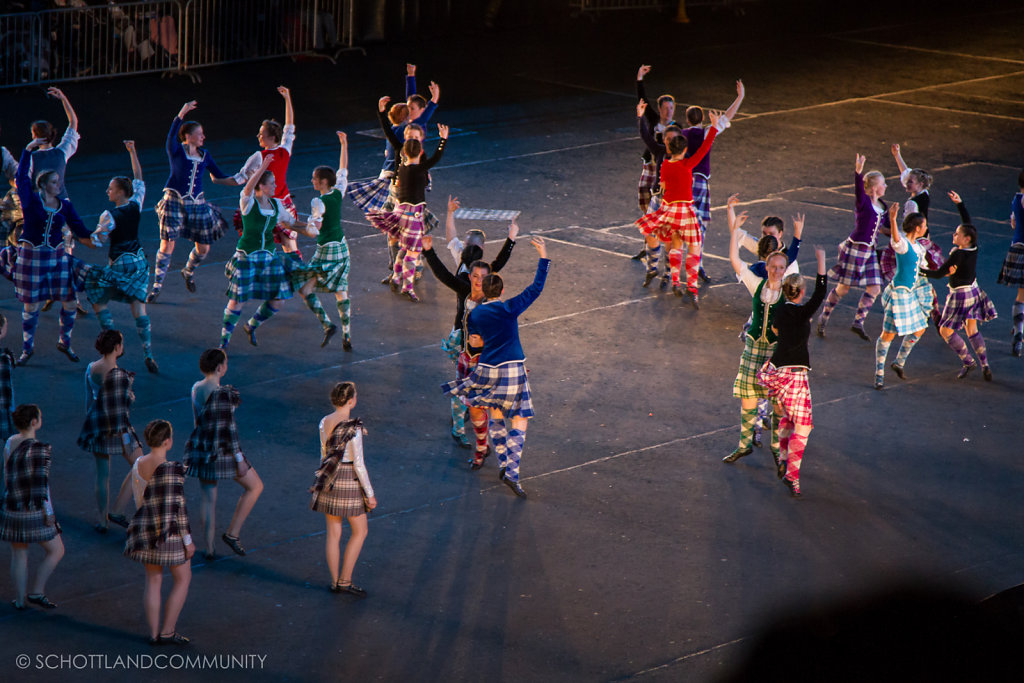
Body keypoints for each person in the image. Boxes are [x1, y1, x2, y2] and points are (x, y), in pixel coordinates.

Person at [443, 237, 550, 498]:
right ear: (501, 291)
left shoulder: (475, 314)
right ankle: (511, 470)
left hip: (488, 370)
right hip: (512, 367)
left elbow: (475, 342)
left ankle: (502, 462)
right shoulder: (510, 308)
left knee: (496, 415)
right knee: (520, 419)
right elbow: (536, 289)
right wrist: (543, 256)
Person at [422, 196, 517, 455]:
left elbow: (498, 263)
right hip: (464, 343)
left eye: (481, 277)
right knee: (463, 386)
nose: (478, 280)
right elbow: (443, 274)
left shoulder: (478, 274)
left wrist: (511, 238)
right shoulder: (465, 282)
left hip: (481, 347)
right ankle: (459, 427)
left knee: (478, 389)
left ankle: (473, 422)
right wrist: (429, 252)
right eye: (475, 277)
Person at [0, 143, 93, 365]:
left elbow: (80, 230)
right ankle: (27, 348)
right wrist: (27, 152)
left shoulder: (65, 207)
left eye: (58, 182)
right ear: (42, 185)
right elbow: (22, 178)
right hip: (32, 260)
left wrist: (98, 236)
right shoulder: (31, 200)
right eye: (54, 182)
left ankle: (65, 342)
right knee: (31, 306)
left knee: (69, 302)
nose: (58, 185)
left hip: (56, 260)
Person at [634, 108, 729, 308]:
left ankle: (675, 280)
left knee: (674, 243)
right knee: (693, 248)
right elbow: (704, 148)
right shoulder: (688, 165)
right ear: (684, 150)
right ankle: (691, 286)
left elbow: (665, 187)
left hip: (669, 210)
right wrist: (713, 127)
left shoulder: (666, 165)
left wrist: (640, 116)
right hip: (685, 211)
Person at [756, 247, 828, 498]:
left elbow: (775, 331)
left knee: (788, 417)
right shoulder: (801, 312)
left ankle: (783, 457)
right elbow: (821, 293)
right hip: (795, 375)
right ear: (800, 292)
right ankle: (792, 474)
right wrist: (821, 262)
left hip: (776, 372)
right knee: (804, 426)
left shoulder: (781, 311)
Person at [82, 140, 158, 373]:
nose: (108, 191)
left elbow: (96, 242)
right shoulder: (136, 203)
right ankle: (148, 351)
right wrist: (133, 151)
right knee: (139, 308)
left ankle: (112, 342)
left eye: (111, 189)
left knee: (95, 291)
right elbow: (139, 180)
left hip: (120, 265)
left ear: (120, 192)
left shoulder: (110, 215)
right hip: (139, 263)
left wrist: (77, 234)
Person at [149, 101, 234, 302]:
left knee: (204, 248)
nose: (203, 136)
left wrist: (244, 178)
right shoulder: (177, 151)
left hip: (197, 204)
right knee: (167, 244)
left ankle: (188, 270)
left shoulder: (205, 156)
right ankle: (156, 286)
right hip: (175, 201)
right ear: (188, 136)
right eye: (199, 133)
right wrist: (182, 112)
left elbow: (220, 176)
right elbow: (171, 135)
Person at [221, 154, 310, 349]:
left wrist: (311, 229)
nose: (275, 186)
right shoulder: (248, 203)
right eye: (271, 183)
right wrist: (264, 167)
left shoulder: (277, 205)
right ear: (261, 186)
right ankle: (224, 344)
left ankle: (251, 326)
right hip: (247, 257)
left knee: (278, 300)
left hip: (269, 258)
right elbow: (247, 188)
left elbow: (293, 223)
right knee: (236, 302)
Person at [722, 214, 789, 465]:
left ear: (785, 270)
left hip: (776, 354)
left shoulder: (789, 291)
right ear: (767, 265)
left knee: (778, 406)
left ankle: (776, 450)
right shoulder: (756, 283)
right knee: (748, 400)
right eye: (773, 266)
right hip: (753, 350)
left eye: (781, 267)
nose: (776, 271)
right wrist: (734, 231)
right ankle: (743, 445)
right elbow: (734, 259)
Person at [184, 349, 263, 560]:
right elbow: (230, 428)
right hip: (223, 450)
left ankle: (209, 548)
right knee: (255, 486)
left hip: (202, 448)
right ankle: (232, 533)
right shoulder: (223, 394)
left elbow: (196, 422)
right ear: (220, 368)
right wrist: (239, 459)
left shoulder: (196, 389)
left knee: (208, 499)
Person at [125, 419, 194, 645]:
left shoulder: (137, 465)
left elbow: (137, 498)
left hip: (144, 531)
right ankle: (168, 630)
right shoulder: (171, 470)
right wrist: (188, 540)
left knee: (153, 580)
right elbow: (178, 508)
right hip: (168, 534)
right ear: (168, 441)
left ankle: (153, 633)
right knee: (183, 578)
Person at [367, 124, 449, 302]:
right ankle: (408, 287)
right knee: (413, 252)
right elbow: (436, 157)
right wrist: (442, 140)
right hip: (413, 216)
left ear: (404, 153)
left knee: (404, 248)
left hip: (399, 213)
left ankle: (397, 277)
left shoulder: (402, 169)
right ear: (420, 154)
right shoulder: (420, 169)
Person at [310, 382, 376, 597]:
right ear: (351, 401)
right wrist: (370, 494)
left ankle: (333, 581)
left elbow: (323, 453)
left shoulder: (325, 421)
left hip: (329, 477)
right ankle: (345, 580)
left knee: (333, 532)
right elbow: (359, 464)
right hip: (348, 479)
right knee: (360, 531)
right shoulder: (353, 427)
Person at [920, 198, 997, 380]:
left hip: (960, 295)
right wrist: (960, 204)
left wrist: (919, 271)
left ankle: (968, 361)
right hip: (974, 291)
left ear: (966, 239)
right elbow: (968, 223)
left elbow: (938, 274)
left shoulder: (958, 254)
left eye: (956, 234)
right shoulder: (973, 248)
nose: (953, 236)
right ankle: (984, 364)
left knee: (945, 330)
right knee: (972, 329)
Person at [77, 329, 143, 532]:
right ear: (117, 347)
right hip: (118, 426)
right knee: (140, 464)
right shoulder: (121, 376)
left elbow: (88, 402)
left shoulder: (91, 368)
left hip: (97, 424)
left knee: (102, 474)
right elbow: (125, 404)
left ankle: (103, 519)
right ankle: (119, 508)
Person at [679, 79, 745, 282]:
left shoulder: (680, 135)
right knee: (700, 226)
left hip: (683, 183)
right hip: (700, 183)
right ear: (701, 119)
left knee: (683, 225)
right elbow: (727, 117)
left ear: (688, 120)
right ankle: (696, 263)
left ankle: (677, 264)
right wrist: (740, 97)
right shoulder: (707, 132)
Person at [816, 154, 888, 340]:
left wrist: (903, 235)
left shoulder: (883, 206)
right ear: (874, 188)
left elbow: (885, 229)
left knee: (875, 287)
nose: (886, 186)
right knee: (843, 288)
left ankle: (858, 322)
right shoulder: (863, 203)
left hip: (870, 251)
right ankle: (823, 318)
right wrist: (858, 171)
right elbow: (858, 189)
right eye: (883, 183)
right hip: (856, 248)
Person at [0, 404, 64, 610]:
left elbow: (7, 475)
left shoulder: (10, 442)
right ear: (34, 422)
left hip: (12, 506)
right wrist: (50, 514)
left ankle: (19, 600)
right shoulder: (41, 450)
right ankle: (37, 590)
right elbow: (42, 486)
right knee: (57, 550)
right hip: (33, 509)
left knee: (19, 554)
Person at [293, 132, 353, 350]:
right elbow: (343, 170)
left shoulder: (318, 201)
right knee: (341, 291)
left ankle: (328, 325)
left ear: (323, 181)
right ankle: (346, 334)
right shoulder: (338, 192)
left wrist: (291, 225)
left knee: (305, 290)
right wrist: (344, 144)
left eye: (314, 178)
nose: (312, 181)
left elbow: (313, 231)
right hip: (342, 248)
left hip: (326, 250)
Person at [232, 86, 302, 256]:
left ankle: (296, 273)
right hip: (271, 203)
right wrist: (287, 98)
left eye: (261, 134)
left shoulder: (262, 155)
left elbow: (289, 126)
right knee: (280, 242)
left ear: (271, 137)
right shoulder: (284, 150)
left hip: (275, 204)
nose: (258, 136)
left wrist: (288, 99)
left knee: (287, 243)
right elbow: (289, 128)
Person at [874, 205, 931, 389]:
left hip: (911, 293)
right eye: (924, 225)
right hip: (899, 293)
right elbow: (896, 240)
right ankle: (879, 372)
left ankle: (898, 362)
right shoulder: (904, 244)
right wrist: (892, 219)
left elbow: (922, 268)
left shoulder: (918, 246)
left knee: (920, 328)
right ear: (917, 228)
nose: (926, 228)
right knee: (888, 334)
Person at [996, 169, 1024, 357]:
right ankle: (1019, 332)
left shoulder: (1016, 199)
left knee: (1021, 293)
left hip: (1017, 246)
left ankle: (1018, 330)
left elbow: (1013, 224)